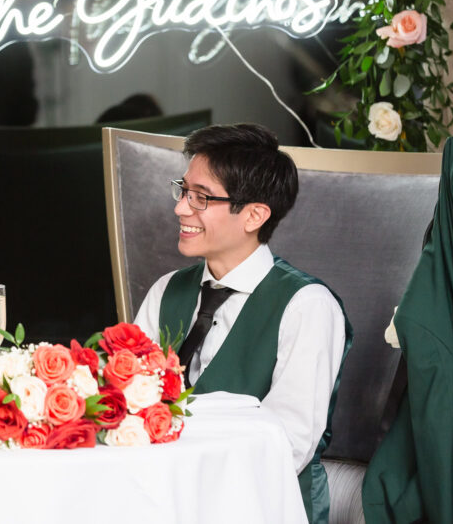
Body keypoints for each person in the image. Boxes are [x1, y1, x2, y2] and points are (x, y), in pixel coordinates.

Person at [133, 123, 351, 524]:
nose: (181, 207)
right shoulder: (166, 291)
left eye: (200, 197)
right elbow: (127, 401)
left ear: (254, 214)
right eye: (183, 191)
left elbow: (288, 446)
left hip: (258, 509)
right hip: (161, 500)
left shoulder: (307, 306)